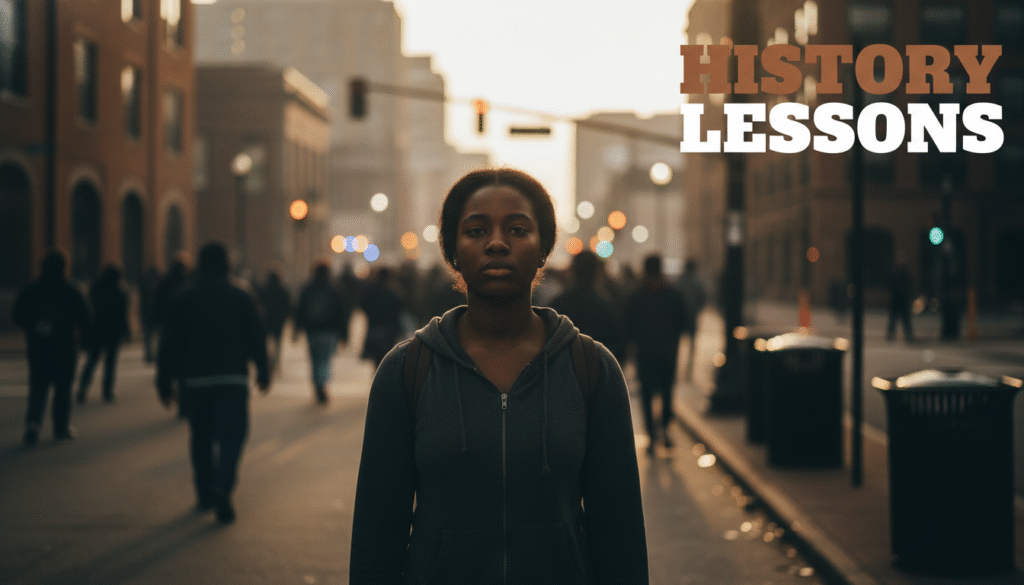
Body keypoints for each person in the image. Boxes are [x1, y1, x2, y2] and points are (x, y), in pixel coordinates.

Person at [349, 168, 648, 584]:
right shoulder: (406, 371)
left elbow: (621, 539)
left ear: (543, 248)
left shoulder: (593, 369)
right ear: (453, 251)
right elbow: (376, 538)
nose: (496, 242)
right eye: (475, 230)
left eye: (517, 229)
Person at [156, 242, 270, 523]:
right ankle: (223, 485)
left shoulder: (184, 298)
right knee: (233, 436)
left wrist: (164, 381)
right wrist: (264, 369)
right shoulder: (241, 295)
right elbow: (256, 336)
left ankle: (205, 491)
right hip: (232, 377)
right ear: (227, 264)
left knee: (201, 437)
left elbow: (169, 343)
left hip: (194, 380)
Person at [12, 249, 91, 446]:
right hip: (65, 348)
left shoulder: (31, 290)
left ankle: (33, 423)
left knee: (38, 387)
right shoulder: (72, 290)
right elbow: (85, 317)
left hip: (38, 347)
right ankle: (60, 426)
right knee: (63, 388)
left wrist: (31, 329)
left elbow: (17, 315)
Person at [625, 254, 687, 455]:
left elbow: (628, 326)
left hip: (649, 353)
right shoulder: (672, 294)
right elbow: (683, 321)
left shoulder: (637, 296)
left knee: (655, 395)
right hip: (664, 353)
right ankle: (658, 434)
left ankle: (657, 434)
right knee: (663, 393)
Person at [549, 250, 626, 362]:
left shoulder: (559, 303)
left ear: (573, 270)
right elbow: (618, 346)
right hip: (598, 369)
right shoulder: (605, 305)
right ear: (596, 272)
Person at [293, 262, 351, 404]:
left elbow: (299, 310)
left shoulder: (307, 289)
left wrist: (296, 329)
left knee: (315, 359)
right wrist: (344, 334)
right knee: (325, 360)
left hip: (312, 331)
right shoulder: (335, 289)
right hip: (330, 331)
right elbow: (341, 313)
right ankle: (323, 385)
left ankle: (317, 385)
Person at [76, 265, 129, 404]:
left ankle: (82, 388)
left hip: (97, 330)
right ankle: (107, 391)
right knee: (110, 363)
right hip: (113, 331)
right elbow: (122, 315)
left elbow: (88, 310)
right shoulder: (119, 292)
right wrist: (126, 332)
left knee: (92, 360)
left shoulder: (95, 289)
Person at [358, 266, 407, 367]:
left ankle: (378, 375)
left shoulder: (372, 291)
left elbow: (363, 305)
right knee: (387, 356)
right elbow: (401, 311)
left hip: (374, 327)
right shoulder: (395, 293)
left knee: (377, 358)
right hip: (390, 329)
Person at [676, 258, 708, 382]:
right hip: (692, 315)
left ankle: (678, 369)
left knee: (678, 343)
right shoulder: (697, 282)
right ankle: (689, 370)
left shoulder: (679, 281)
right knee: (692, 344)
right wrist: (697, 309)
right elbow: (703, 297)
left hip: (679, 317)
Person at [258, 270, 292, 376]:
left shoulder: (263, 290)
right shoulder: (283, 290)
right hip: (278, 320)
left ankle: (268, 362)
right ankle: (276, 363)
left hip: (266, 320)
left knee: (266, 343)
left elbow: (259, 304)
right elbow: (287, 306)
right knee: (278, 343)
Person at [886, 261, 915, 342]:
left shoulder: (903, 276)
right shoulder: (899, 276)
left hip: (900, 301)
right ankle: (892, 334)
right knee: (896, 319)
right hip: (899, 301)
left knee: (901, 319)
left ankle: (906, 335)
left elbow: (909, 287)